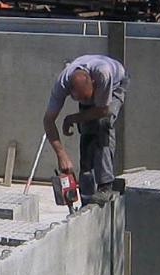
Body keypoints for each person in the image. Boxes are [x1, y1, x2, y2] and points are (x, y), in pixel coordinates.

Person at [42, 55, 128, 204]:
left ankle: (105, 185)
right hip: (95, 85)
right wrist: (62, 155)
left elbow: (102, 110)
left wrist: (72, 118)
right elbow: (48, 121)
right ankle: (86, 195)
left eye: (89, 97)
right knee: (88, 134)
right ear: (70, 91)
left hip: (115, 85)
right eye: (81, 99)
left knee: (103, 125)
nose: (86, 102)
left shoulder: (103, 74)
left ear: (93, 84)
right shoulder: (61, 84)